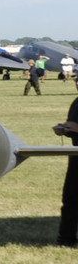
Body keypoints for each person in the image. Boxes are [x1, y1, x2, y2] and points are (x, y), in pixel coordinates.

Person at [55, 97, 78, 246]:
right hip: (76, 156)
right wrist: (64, 129)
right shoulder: (76, 103)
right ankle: (66, 238)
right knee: (70, 197)